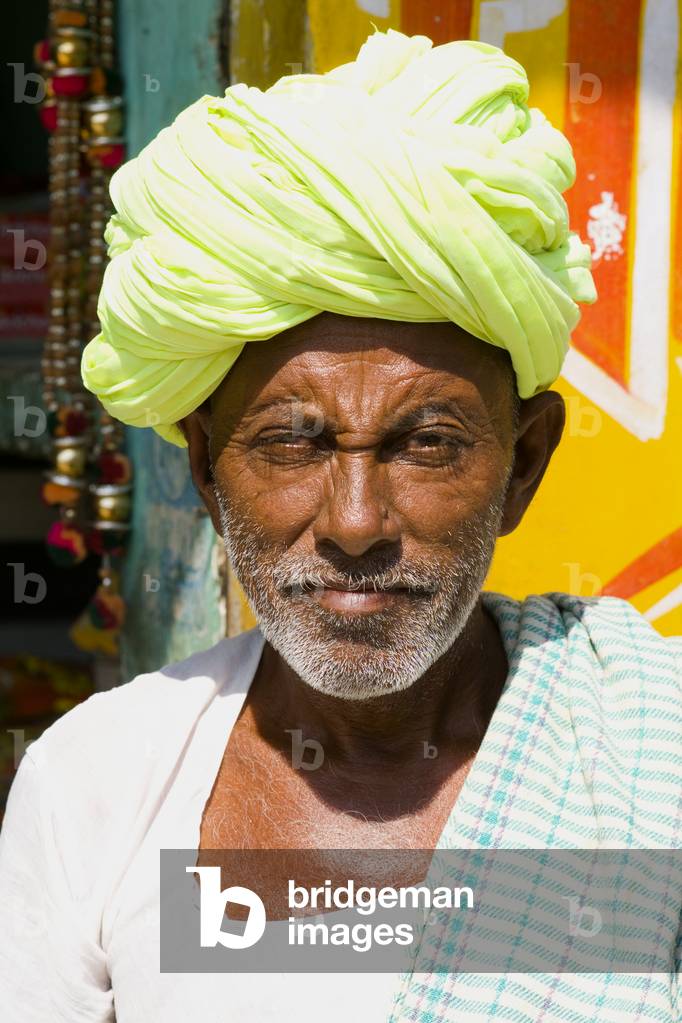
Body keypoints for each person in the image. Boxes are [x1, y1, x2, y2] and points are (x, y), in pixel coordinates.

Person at [1, 27, 680, 1023]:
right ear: (201, 466)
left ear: (524, 461)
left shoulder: (648, 744)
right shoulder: (97, 782)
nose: (356, 523)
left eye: (427, 443)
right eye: (290, 443)